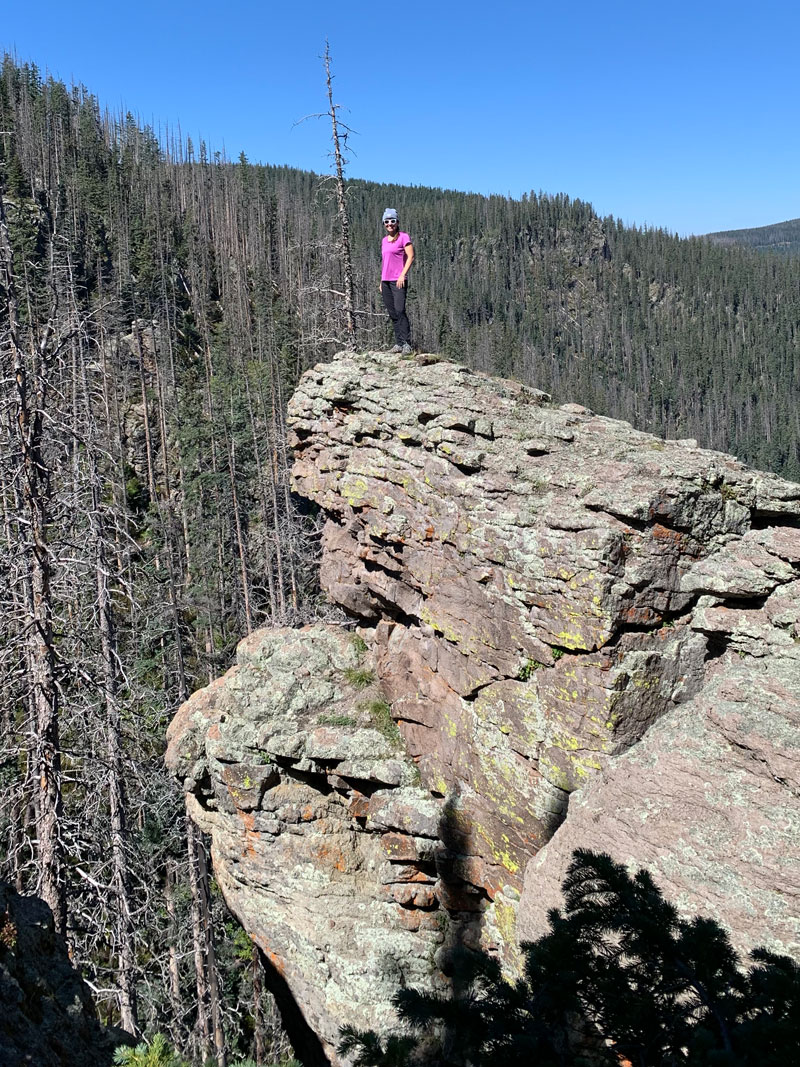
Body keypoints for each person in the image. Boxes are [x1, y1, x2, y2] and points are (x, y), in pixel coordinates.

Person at [380, 208, 414, 353]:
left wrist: (402, 275)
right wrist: (381, 281)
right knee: (392, 313)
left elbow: (411, 256)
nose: (390, 224)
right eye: (387, 221)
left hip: (398, 280)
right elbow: (385, 261)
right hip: (386, 281)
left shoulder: (403, 237)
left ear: (397, 222)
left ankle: (406, 343)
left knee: (400, 310)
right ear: (384, 224)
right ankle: (398, 343)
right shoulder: (384, 241)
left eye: (392, 221)